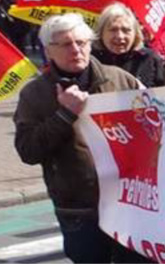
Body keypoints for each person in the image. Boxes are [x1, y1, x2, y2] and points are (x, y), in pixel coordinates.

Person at [13, 13, 146, 263]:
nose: (76, 50)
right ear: (49, 51)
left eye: (82, 42)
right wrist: (65, 115)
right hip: (79, 210)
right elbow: (28, 150)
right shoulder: (35, 94)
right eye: (65, 44)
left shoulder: (119, 79)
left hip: (129, 204)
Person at [92, 2, 164, 87]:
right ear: (101, 33)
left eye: (126, 30)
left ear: (135, 33)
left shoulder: (149, 59)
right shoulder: (91, 60)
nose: (119, 36)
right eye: (113, 29)